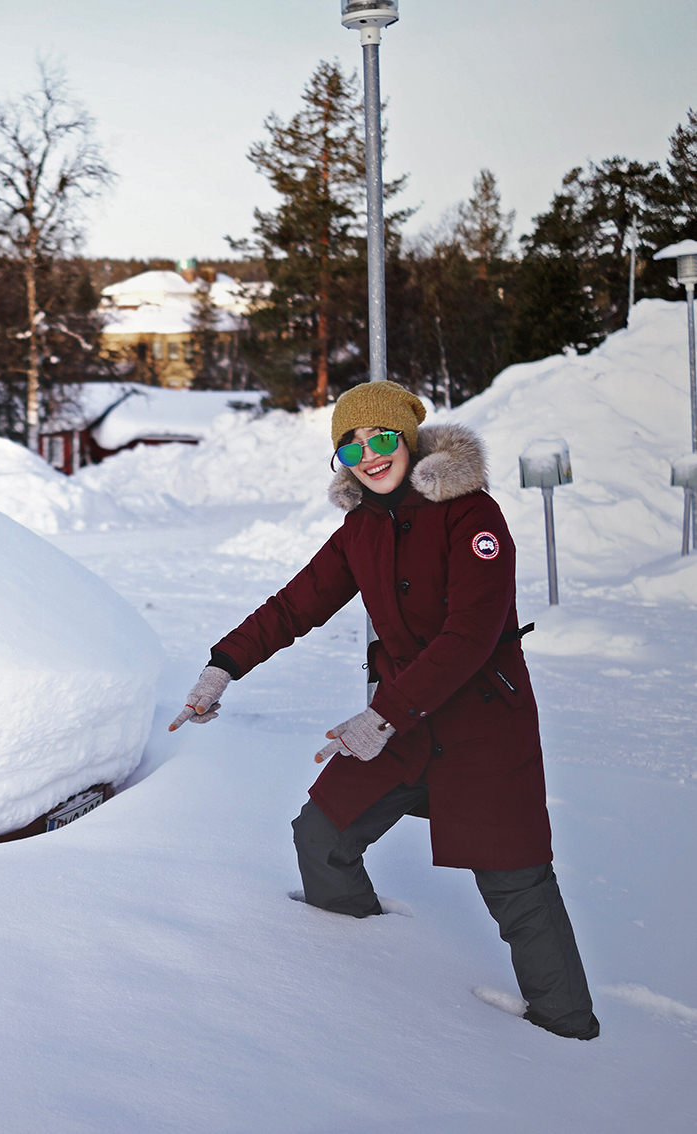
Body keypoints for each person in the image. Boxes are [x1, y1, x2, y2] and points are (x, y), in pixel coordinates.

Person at [169, 380, 599, 1041]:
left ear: (407, 438)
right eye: (349, 446)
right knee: (320, 834)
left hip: (480, 725)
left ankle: (567, 1030)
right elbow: (293, 606)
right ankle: (355, 963)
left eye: (379, 438)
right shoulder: (359, 529)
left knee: (515, 883)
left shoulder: (470, 515)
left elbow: (470, 635)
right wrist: (219, 668)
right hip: (400, 726)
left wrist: (379, 716)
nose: (367, 455)